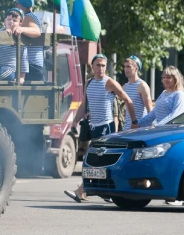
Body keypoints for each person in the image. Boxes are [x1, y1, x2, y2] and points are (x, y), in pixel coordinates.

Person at [65, 54, 138, 203]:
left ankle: (82, 191)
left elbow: (128, 100)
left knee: (94, 160)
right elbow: (84, 104)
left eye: (103, 65)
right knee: (101, 161)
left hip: (106, 127)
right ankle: (105, 192)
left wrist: (134, 122)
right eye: (98, 65)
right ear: (92, 67)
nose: (101, 68)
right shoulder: (89, 83)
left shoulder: (109, 83)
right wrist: (75, 121)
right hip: (94, 127)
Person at [12, 0, 44, 81]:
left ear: (17, 4)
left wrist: (21, 29)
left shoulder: (28, 16)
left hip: (31, 66)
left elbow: (37, 31)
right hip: (32, 66)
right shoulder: (29, 16)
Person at [0, 8, 29, 82]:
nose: (11, 22)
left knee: (7, 74)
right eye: (9, 19)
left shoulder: (21, 37)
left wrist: (21, 78)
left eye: (15, 20)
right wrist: (4, 35)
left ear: (20, 23)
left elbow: (24, 59)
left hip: (10, 69)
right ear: (5, 21)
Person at [122, 55, 152, 131]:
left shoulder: (142, 86)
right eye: (125, 67)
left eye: (128, 66)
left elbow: (150, 111)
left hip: (140, 129)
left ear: (136, 68)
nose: (126, 69)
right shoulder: (125, 87)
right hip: (126, 129)